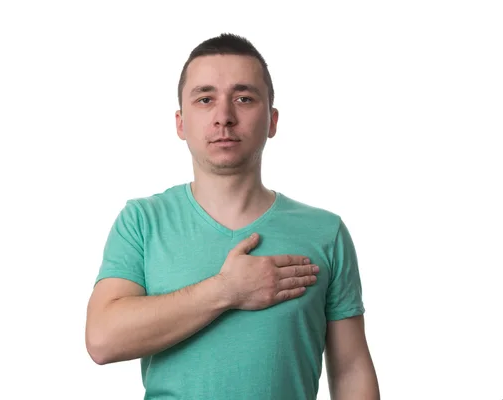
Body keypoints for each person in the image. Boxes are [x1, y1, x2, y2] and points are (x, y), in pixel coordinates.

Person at [85, 33, 380, 400]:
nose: (224, 117)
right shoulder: (142, 221)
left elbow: (351, 368)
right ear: (180, 123)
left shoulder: (326, 232)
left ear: (272, 121)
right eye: (205, 99)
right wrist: (227, 291)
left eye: (243, 99)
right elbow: (102, 340)